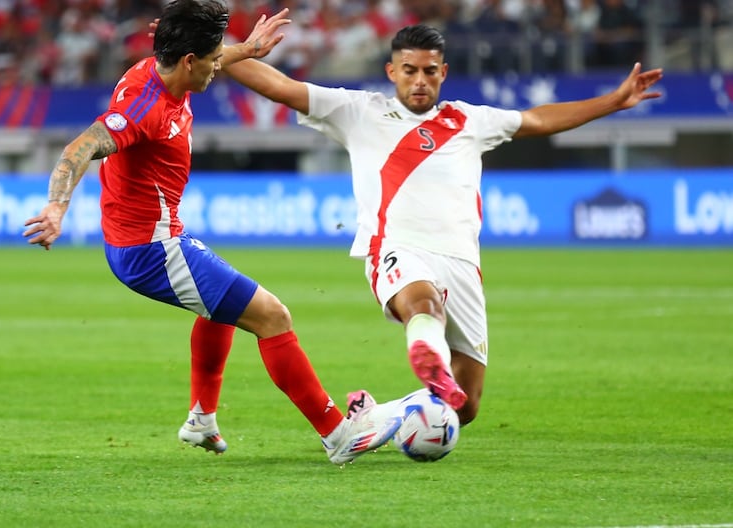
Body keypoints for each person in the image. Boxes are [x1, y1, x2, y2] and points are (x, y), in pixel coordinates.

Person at [23, 0, 406, 465]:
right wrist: (57, 208)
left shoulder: (163, 69)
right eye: (211, 59)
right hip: (151, 250)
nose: (217, 66)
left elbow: (214, 57)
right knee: (272, 317)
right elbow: (81, 146)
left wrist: (248, 48)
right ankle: (337, 433)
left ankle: (202, 418)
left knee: (221, 307)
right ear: (189, 61)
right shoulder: (146, 109)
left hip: (154, 239)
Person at [221, 23, 663, 426]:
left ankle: (371, 416)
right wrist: (210, 48)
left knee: (464, 407)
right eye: (409, 70)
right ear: (391, 70)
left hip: (463, 263)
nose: (419, 80)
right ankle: (428, 358)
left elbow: (538, 119)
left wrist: (614, 101)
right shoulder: (356, 110)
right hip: (396, 247)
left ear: (443, 72)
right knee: (423, 304)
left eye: (429, 71)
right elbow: (279, 86)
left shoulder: (471, 120)